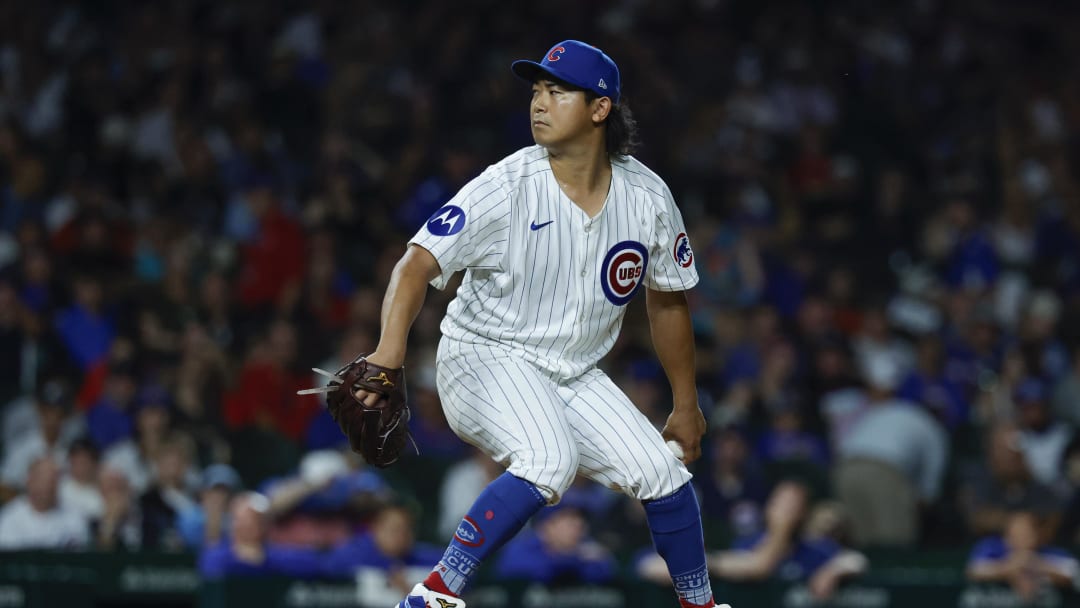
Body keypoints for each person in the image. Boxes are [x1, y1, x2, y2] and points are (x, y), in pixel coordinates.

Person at [348, 40, 723, 608]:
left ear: (600, 109)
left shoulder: (647, 196)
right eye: (537, 91)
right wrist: (388, 354)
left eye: (558, 91)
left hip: (572, 372)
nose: (540, 103)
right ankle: (434, 595)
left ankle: (698, 605)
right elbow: (415, 265)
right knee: (550, 461)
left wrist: (686, 404)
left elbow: (667, 300)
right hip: (483, 356)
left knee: (662, 474)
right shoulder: (507, 185)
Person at [966, 510, 1079, 602]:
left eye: (1026, 534)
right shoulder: (992, 548)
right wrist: (1010, 569)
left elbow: (1072, 574)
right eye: (1016, 534)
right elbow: (974, 571)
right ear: (1007, 537)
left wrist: (1035, 564)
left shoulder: (1050, 553)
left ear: (1036, 536)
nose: (1021, 539)